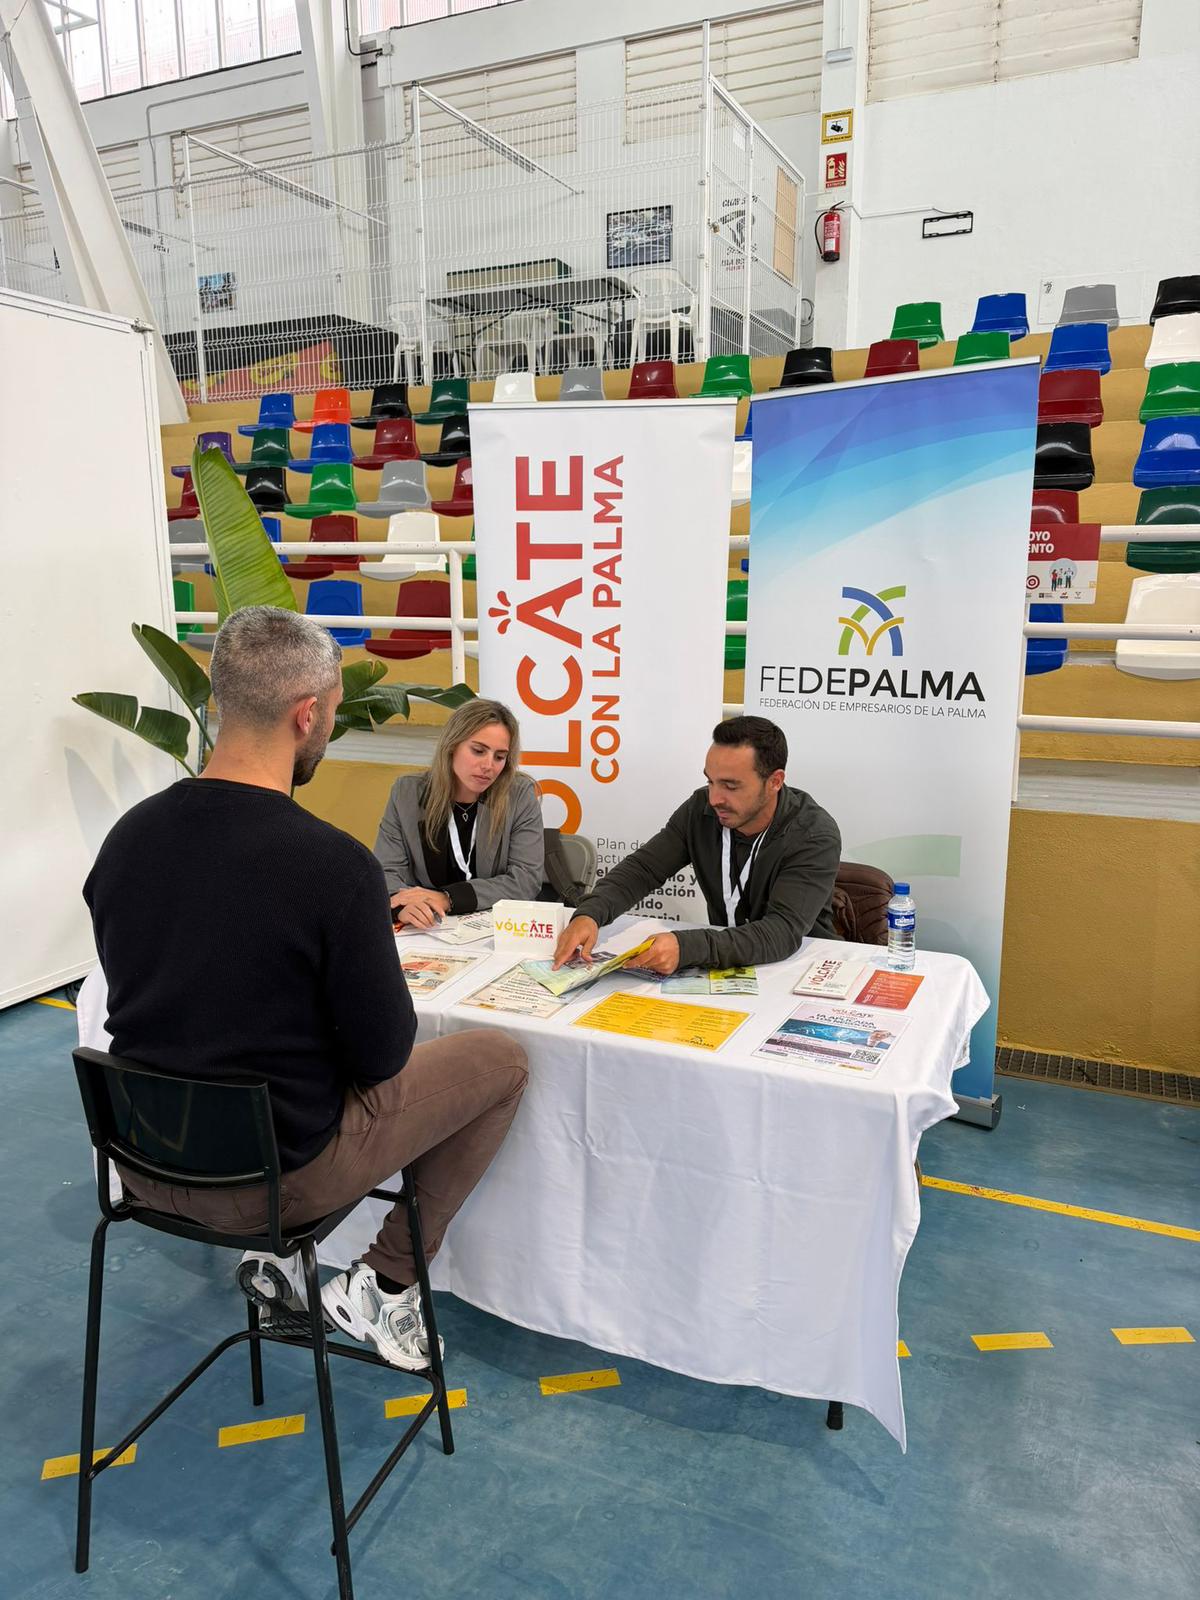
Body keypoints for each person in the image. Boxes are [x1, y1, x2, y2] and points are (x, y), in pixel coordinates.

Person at [83, 607, 527, 1371]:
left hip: (140, 1162)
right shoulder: (329, 865)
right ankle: (388, 1282)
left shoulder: (128, 837)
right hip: (271, 1181)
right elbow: (382, 1056)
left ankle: (282, 1265)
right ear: (308, 714)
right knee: (502, 1061)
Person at [553, 715, 840, 975]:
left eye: (730, 786)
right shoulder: (701, 810)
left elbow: (781, 932)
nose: (715, 798)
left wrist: (688, 947)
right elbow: (644, 869)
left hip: (800, 969)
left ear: (775, 781)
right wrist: (590, 913)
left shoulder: (813, 834)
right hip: (730, 965)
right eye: (710, 782)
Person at [374, 699, 544, 929]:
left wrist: (447, 898)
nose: (489, 765)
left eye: (499, 757)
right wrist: (402, 906)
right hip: (426, 930)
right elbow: (386, 871)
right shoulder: (407, 793)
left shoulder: (519, 795)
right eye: (478, 751)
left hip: (496, 931)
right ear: (452, 745)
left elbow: (526, 881)